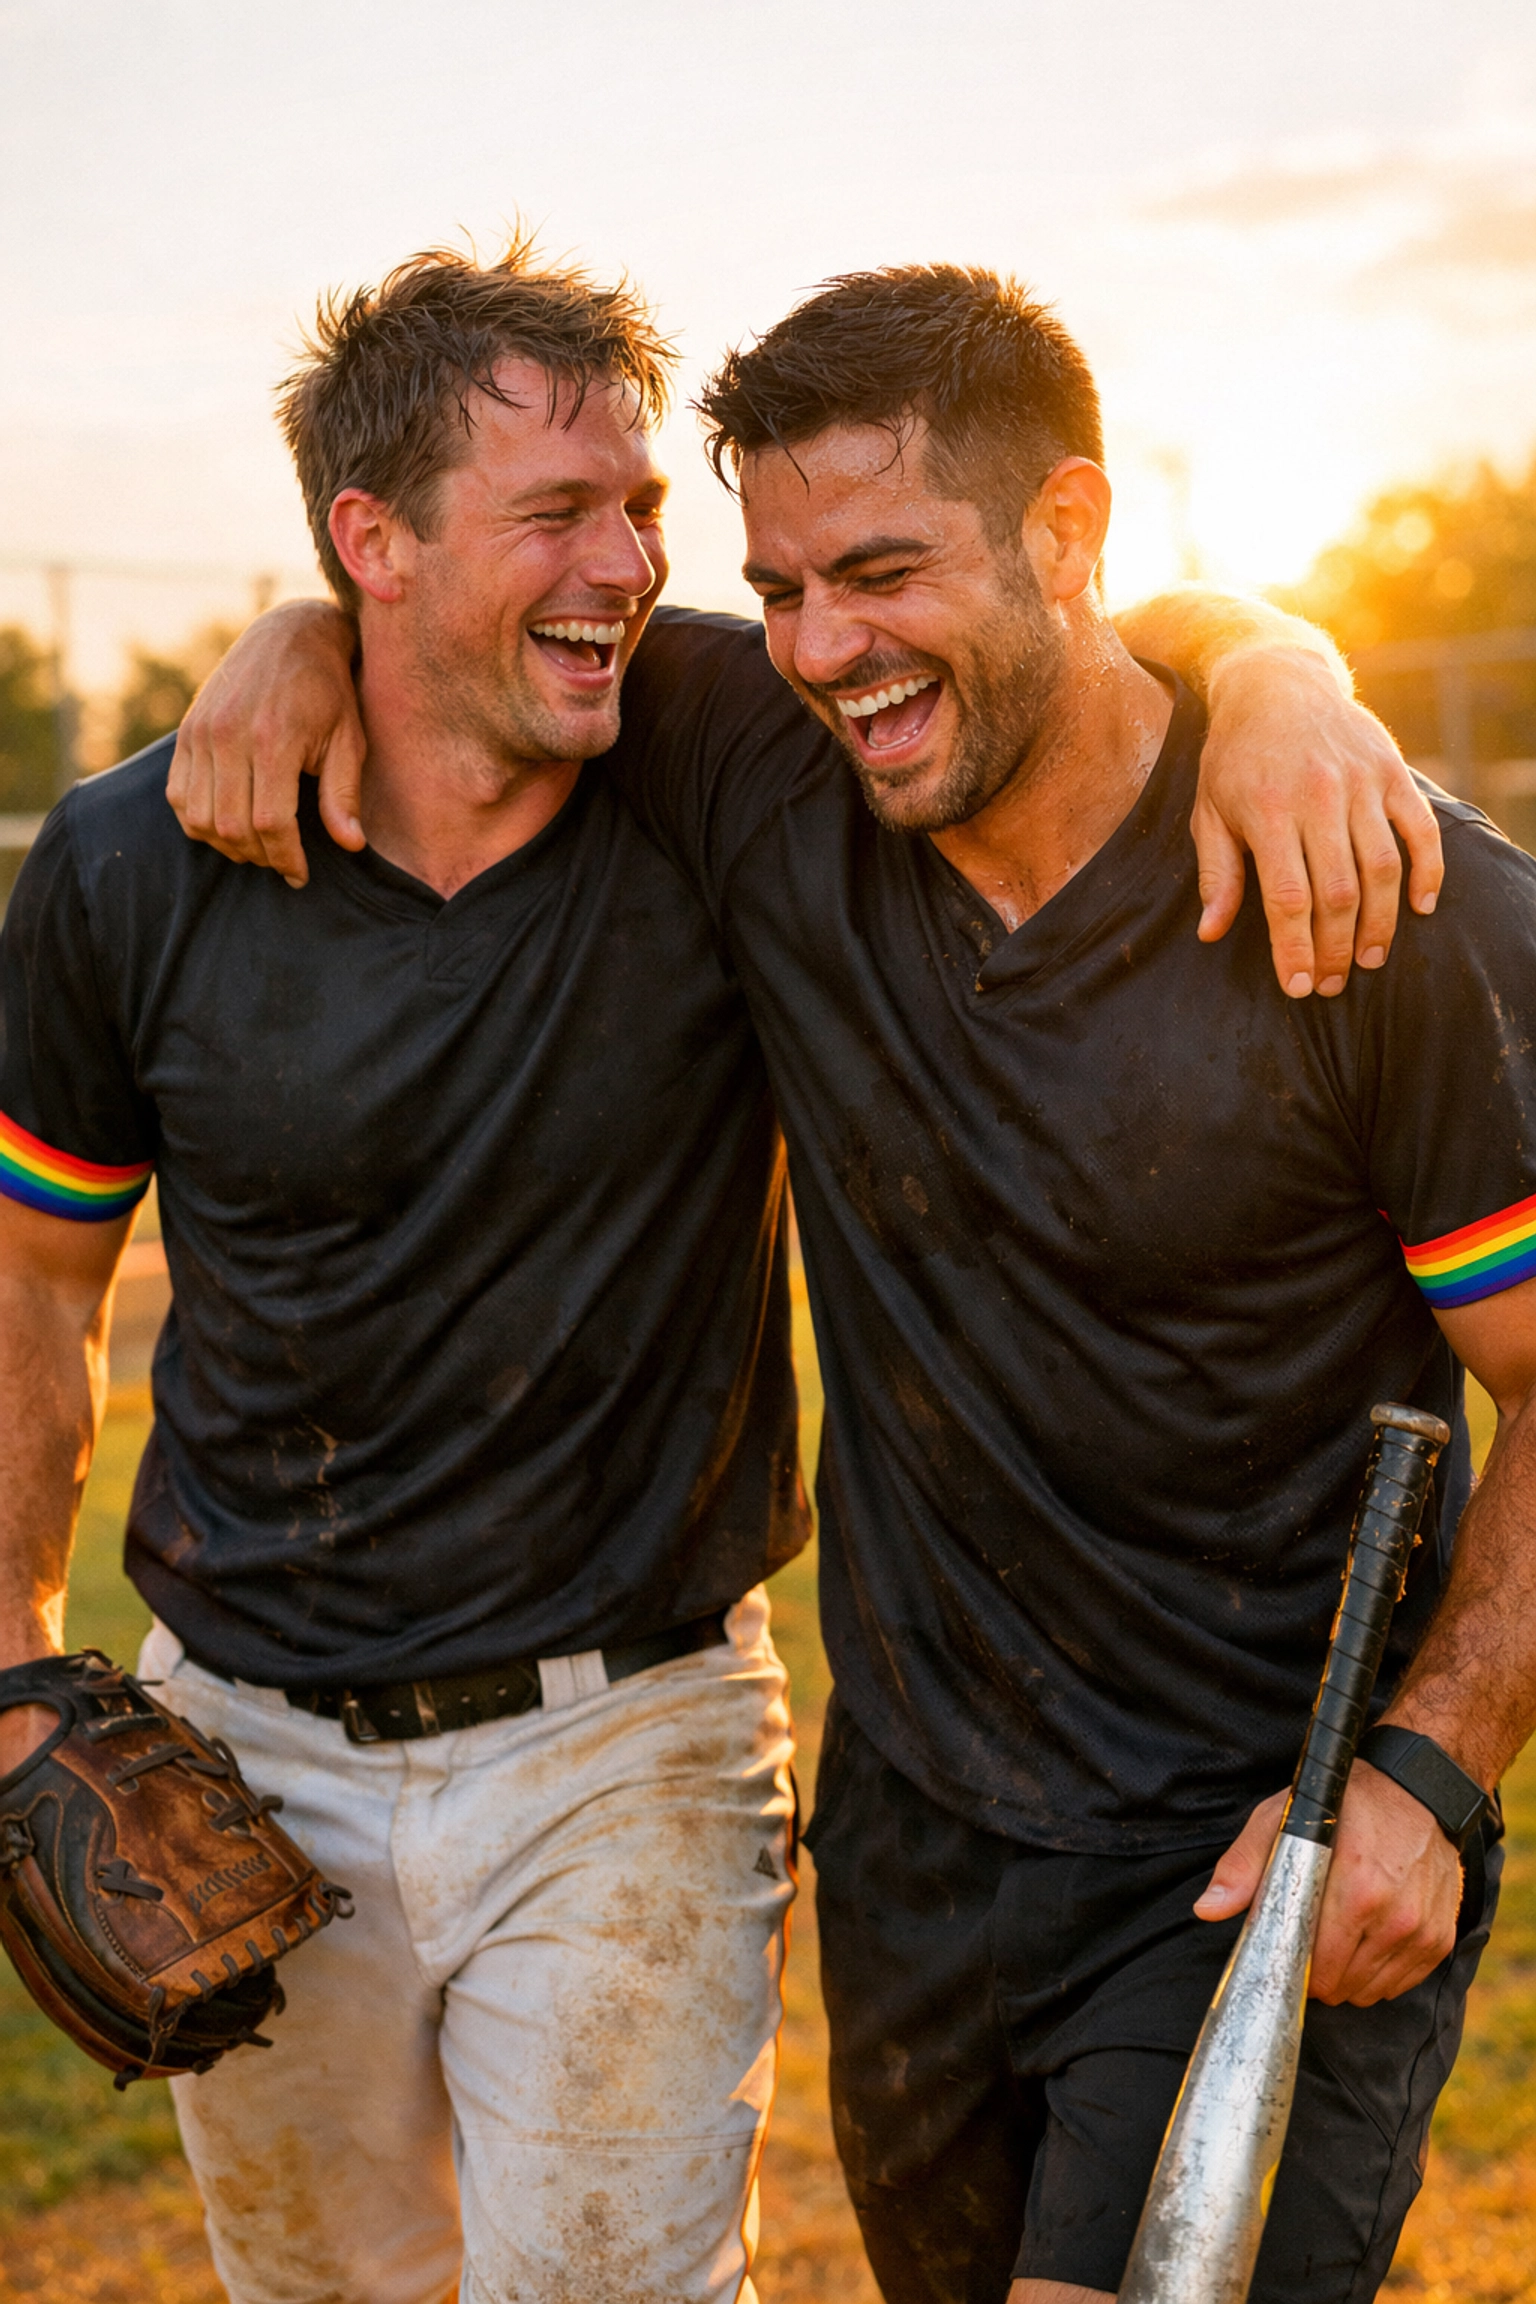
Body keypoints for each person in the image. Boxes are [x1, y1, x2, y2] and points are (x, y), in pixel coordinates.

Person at [39, 252, 1449, 2304]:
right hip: (251, 1736)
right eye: (558, 515)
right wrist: (6, 1657)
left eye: (639, 511)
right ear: (374, 546)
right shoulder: (149, 857)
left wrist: (1290, 669)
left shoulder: (719, 757)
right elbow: (31, 1275)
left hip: (633, 1730)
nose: (633, 564)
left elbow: (1055, 633)